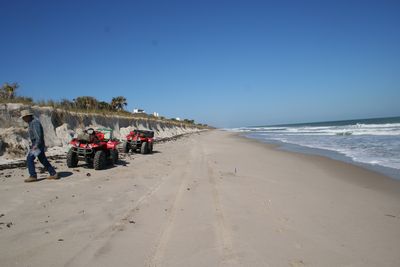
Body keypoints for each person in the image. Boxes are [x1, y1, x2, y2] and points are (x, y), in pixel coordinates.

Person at [20, 109, 58, 182]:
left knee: (29, 158)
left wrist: (36, 145)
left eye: (24, 117)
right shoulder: (31, 123)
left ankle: (33, 176)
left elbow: (38, 136)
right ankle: (53, 173)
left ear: (28, 116)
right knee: (42, 159)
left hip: (38, 143)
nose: (23, 119)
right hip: (38, 143)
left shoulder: (34, 123)